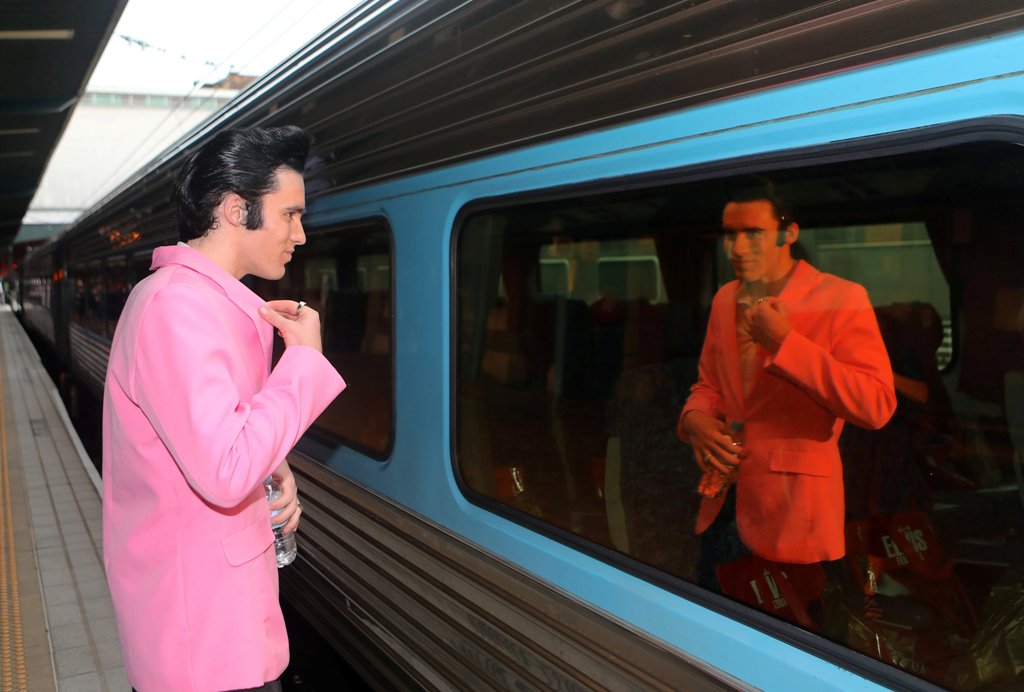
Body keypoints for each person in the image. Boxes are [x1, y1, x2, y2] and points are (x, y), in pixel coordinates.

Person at [102, 126, 346, 691]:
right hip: (200, 647)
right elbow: (224, 471)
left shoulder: (209, 306)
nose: (300, 234)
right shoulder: (175, 309)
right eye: (289, 215)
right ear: (237, 210)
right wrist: (304, 361)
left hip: (223, 626)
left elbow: (221, 439)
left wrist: (272, 462)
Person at [677, 177, 896, 596]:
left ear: (789, 233)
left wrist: (785, 345)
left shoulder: (841, 297)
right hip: (723, 499)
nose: (738, 249)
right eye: (731, 235)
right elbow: (709, 384)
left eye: (754, 234)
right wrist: (695, 419)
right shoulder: (725, 298)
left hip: (796, 512)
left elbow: (876, 405)